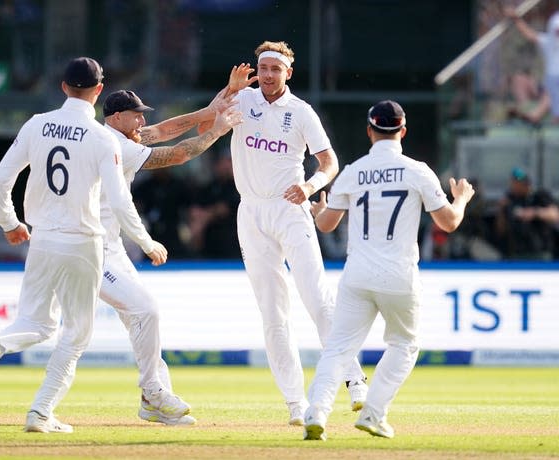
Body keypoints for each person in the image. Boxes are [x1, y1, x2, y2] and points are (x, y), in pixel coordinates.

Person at [0, 57, 170, 433]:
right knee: (76, 334)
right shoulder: (102, 137)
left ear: (63, 87)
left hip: (41, 239)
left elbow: (0, 180)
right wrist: (146, 240)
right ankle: (40, 412)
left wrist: (10, 224)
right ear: (98, 91)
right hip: (84, 243)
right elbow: (120, 201)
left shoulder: (37, 125)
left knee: (35, 323)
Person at [303, 100, 475, 440]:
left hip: (357, 275)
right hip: (399, 275)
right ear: (403, 131)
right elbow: (450, 222)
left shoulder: (352, 171)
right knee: (404, 346)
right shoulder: (418, 170)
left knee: (338, 348)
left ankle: (316, 413)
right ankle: (373, 414)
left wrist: (318, 209)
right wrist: (462, 198)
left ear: (369, 131)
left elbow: (325, 225)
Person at [223, 41, 368, 426]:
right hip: (251, 211)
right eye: (263, 67)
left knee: (317, 298)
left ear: (289, 72)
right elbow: (207, 122)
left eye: (276, 68)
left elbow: (329, 161)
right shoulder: (242, 100)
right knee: (272, 312)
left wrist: (310, 185)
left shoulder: (302, 112)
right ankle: (294, 403)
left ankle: (354, 380)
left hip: (290, 209)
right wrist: (228, 91)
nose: (268, 74)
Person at [99, 88, 241, 425]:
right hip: (90, 246)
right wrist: (217, 129)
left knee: (140, 319)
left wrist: (207, 109)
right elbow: (176, 154)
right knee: (139, 313)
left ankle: (154, 397)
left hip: (111, 244)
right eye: (136, 115)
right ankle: (152, 392)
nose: (143, 121)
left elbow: (161, 130)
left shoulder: (113, 135)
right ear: (117, 117)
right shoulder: (116, 145)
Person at [505, 6, 559, 122]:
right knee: (549, 97)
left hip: (550, 80)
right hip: (551, 79)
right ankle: (534, 114)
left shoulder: (548, 41)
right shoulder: (548, 42)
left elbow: (529, 34)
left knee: (550, 98)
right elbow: (529, 34)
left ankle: (536, 114)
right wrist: (516, 19)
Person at [494, 167, 559, 260]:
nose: (515, 185)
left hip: (540, 253)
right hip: (516, 254)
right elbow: (500, 230)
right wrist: (500, 210)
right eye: (513, 182)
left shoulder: (539, 196)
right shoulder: (509, 199)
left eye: (519, 182)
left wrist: (534, 213)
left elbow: (555, 215)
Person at [187, 149, 241, 259]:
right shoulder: (210, 187)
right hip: (210, 243)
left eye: (230, 162)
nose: (227, 166)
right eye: (225, 161)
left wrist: (206, 216)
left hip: (234, 243)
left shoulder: (240, 186)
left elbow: (225, 208)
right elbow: (195, 209)